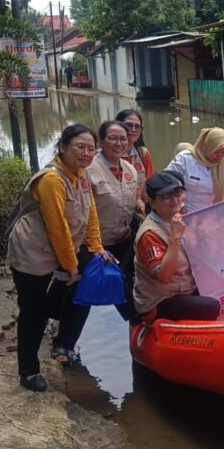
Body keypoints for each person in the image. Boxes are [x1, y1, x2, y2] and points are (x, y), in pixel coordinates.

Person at [6, 124, 112, 392]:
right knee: (32, 311)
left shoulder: (81, 175)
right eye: (80, 146)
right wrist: (71, 266)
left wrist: (97, 247)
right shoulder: (52, 180)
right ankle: (28, 372)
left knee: (77, 287)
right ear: (62, 146)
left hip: (61, 250)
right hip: (33, 252)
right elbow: (57, 228)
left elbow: (90, 215)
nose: (87, 153)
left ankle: (59, 335)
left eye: (91, 148)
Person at [133, 171, 221, 323]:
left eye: (177, 192)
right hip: (161, 299)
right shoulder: (149, 234)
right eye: (166, 196)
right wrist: (174, 239)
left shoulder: (178, 218)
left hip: (185, 286)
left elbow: (211, 238)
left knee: (223, 287)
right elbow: (164, 276)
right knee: (211, 306)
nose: (174, 199)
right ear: (152, 202)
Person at [87, 120, 140, 322]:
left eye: (123, 139)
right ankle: (63, 339)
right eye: (112, 138)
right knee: (83, 288)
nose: (118, 143)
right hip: (95, 242)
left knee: (125, 281)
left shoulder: (130, 169)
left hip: (122, 238)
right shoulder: (88, 169)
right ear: (101, 141)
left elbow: (133, 201)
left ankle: (136, 323)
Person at [166, 127, 224, 213]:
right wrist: (181, 207)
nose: (219, 156)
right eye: (216, 152)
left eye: (223, 152)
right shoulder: (185, 159)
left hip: (210, 216)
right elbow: (167, 183)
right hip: (184, 214)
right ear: (208, 147)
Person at [116, 109, 154, 197]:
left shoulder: (143, 153)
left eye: (137, 127)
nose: (133, 130)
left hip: (140, 207)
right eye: (129, 125)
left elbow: (150, 184)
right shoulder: (108, 154)